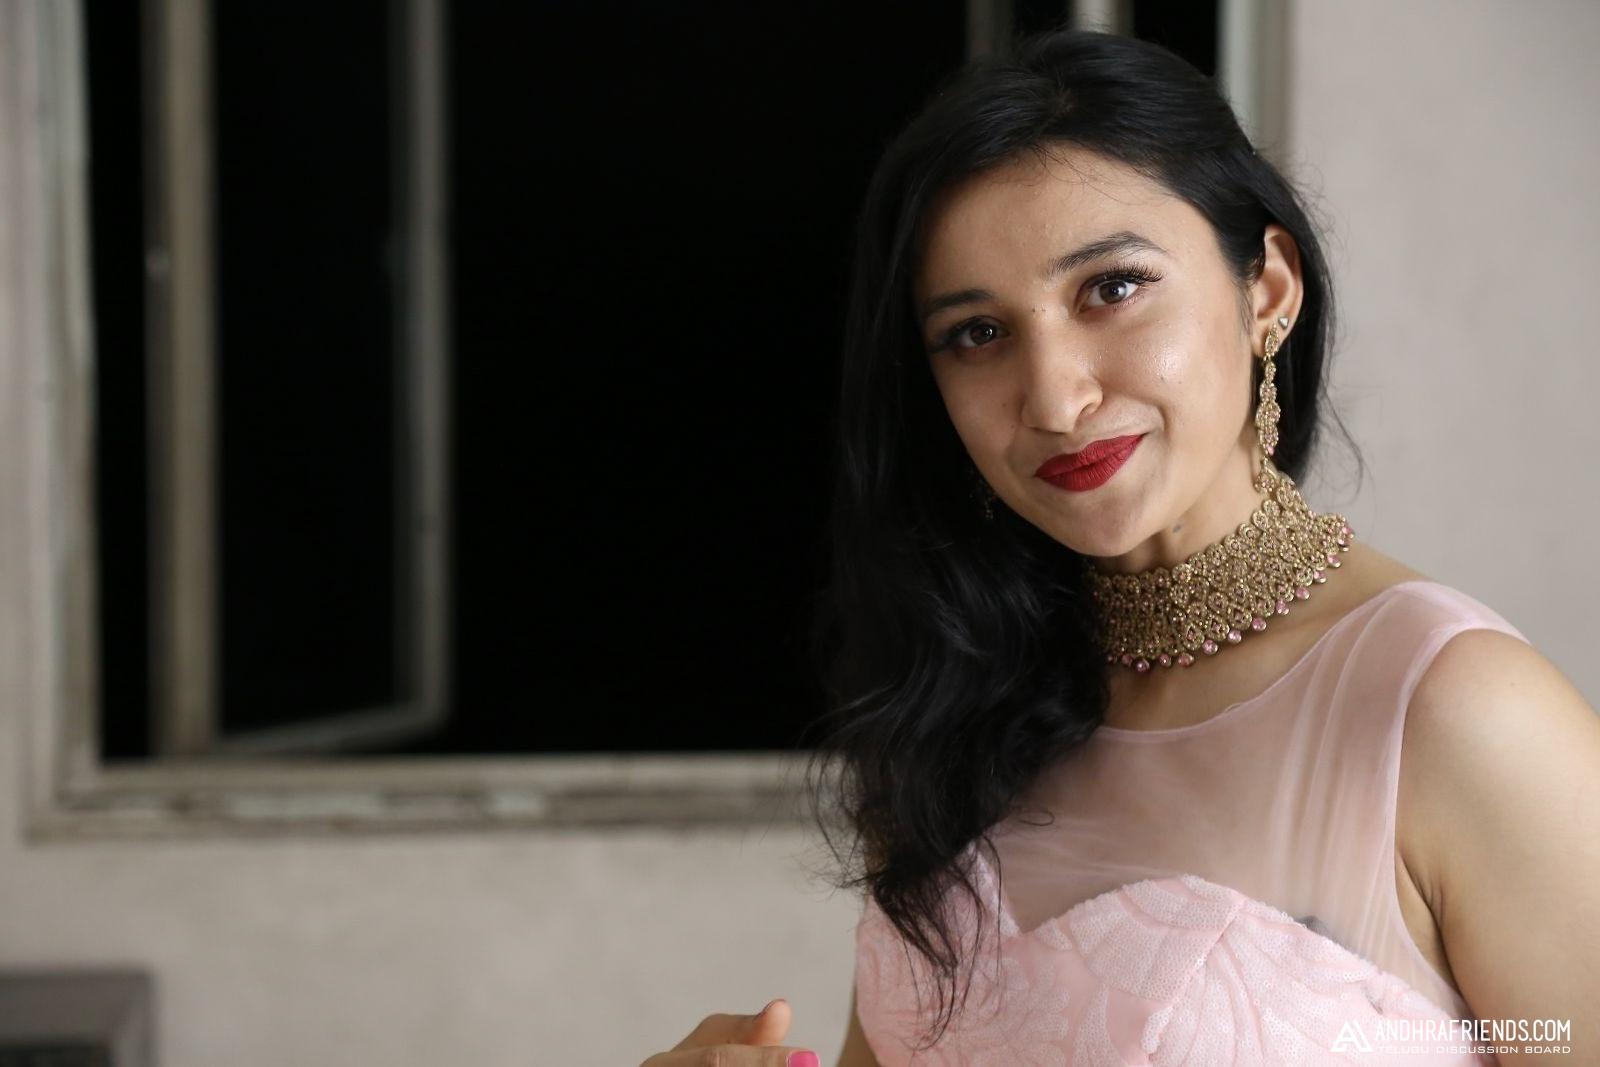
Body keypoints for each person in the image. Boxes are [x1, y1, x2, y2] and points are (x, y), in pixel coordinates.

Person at [641, 25, 1600, 1067]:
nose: (1055, 398)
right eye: (978, 333)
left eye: (1111, 288)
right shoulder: (956, 712)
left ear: (1268, 290)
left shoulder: (1453, 713)